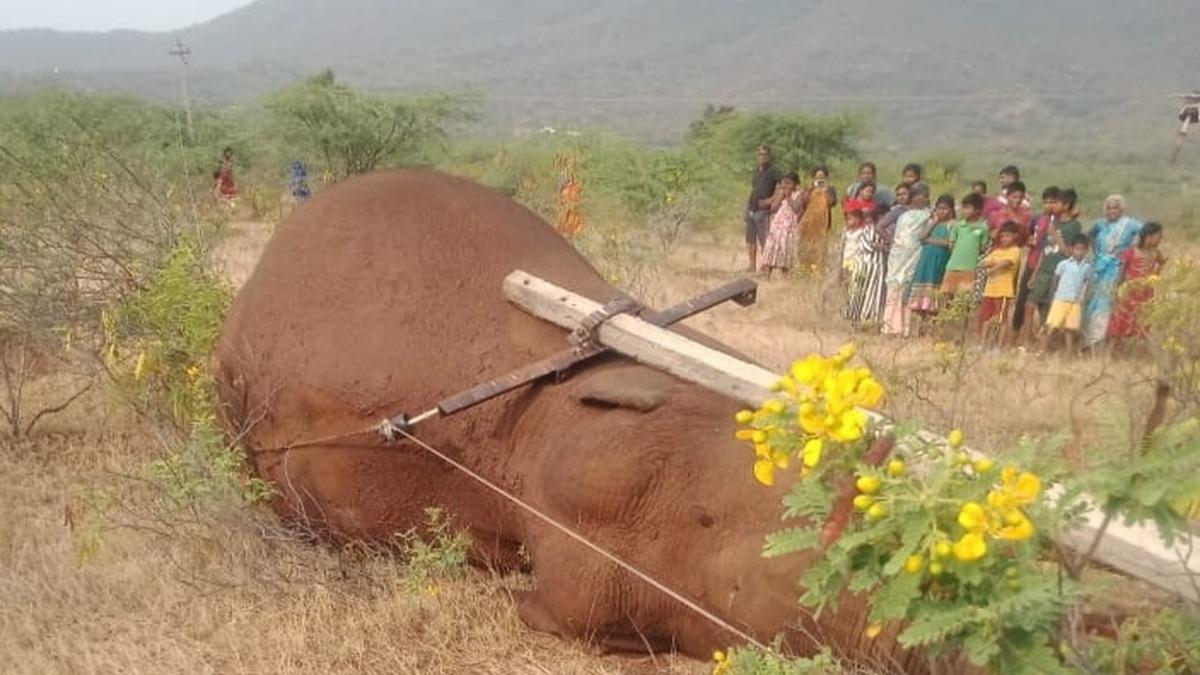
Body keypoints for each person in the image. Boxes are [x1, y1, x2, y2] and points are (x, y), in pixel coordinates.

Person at [1081, 194, 1144, 349]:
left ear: (1121, 209)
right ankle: (1087, 341)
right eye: (1109, 208)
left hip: (1116, 269)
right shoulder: (1100, 223)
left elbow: (1147, 232)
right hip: (1099, 266)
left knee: (1107, 302)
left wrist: (1131, 250)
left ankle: (1101, 341)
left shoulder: (1129, 224)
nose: (1112, 211)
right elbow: (1089, 235)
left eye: (1115, 207)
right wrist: (1096, 251)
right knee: (1091, 302)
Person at [1025, 188, 1084, 342]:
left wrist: (1055, 235)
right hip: (1044, 270)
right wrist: (1034, 273)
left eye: (1056, 202)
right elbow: (1044, 251)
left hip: (1058, 274)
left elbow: (1069, 253)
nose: (1053, 206)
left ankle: (1045, 343)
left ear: (1066, 205)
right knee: (1030, 305)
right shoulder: (1053, 223)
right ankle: (1027, 340)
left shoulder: (1074, 226)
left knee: (1049, 311)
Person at [882, 183, 931, 336]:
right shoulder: (900, 212)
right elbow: (880, 226)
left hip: (914, 256)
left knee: (908, 290)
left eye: (926, 196)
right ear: (915, 196)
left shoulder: (927, 214)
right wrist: (892, 242)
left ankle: (905, 329)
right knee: (894, 288)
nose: (925, 199)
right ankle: (889, 327)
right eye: (923, 195)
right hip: (898, 256)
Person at [1014, 187, 1062, 341]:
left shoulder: (1061, 222)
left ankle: (1043, 340)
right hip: (1032, 262)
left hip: (1050, 267)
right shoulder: (1037, 219)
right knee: (1023, 300)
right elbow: (1027, 237)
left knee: (1044, 304)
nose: (1049, 205)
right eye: (1046, 202)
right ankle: (1015, 336)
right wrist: (1029, 240)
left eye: (1053, 202)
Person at [1109, 222, 1166, 350]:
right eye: (1159, 236)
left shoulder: (1156, 253)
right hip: (1128, 294)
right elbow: (1120, 273)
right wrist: (1115, 291)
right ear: (1149, 236)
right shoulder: (1131, 252)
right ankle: (1111, 355)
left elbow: (1161, 264)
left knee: (1143, 324)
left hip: (1146, 295)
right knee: (1120, 324)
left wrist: (1155, 277)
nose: (1161, 239)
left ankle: (1142, 356)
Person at [908, 195, 955, 330]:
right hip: (926, 262)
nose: (941, 212)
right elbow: (921, 237)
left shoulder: (952, 225)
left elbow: (948, 243)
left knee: (935, 298)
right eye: (939, 208)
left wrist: (930, 240)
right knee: (921, 300)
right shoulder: (933, 223)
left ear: (951, 210)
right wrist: (934, 221)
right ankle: (920, 329)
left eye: (944, 209)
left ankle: (933, 329)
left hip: (939, 262)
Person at [1041, 235, 1093, 356]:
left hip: (1075, 301)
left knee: (1070, 329)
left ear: (1086, 250)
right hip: (1060, 299)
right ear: (1071, 249)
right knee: (1052, 326)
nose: (1079, 252)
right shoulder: (1063, 264)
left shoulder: (1087, 267)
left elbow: (1088, 283)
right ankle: (1043, 351)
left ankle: (1068, 354)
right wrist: (1052, 296)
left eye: (1082, 249)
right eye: (1077, 249)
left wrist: (1085, 298)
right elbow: (1055, 280)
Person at [978, 222, 1021, 345]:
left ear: (1015, 236)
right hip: (990, 290)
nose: (1004, 239)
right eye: (1002, 236)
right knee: (986, 318)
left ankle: (998, 345)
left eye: (1007, 236)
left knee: (1001, 319)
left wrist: (992, 268)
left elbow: (1007, 262)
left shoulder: (1015, 251)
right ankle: (982, 344)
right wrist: (989, 265)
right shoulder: (997, 251)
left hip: (1003, 291)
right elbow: (984, 262)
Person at [845, 204, 889, 325]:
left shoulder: (886, 230)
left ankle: (866, 320)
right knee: (860, 293)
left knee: (871, 294)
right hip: (866, 264)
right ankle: (857, 318)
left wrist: (880, 246)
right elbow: (867, 246)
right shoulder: (869, 229)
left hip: (876, 266)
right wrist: (882, 247)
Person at [942, 193, 989, 299]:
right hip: (952, 267)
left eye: (968, 208)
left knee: (964, 299)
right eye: (964, 208)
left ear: (977, 210)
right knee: (946, 297)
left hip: (970, 268)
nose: (964, 211)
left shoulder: (983, 228)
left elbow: (983, 248)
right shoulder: (958, 226)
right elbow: (951, 245)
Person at [744, 145, 781, 271]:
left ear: (769, 156)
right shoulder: (756, 171)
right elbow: (754, 188)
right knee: (750, 239)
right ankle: (751, 266)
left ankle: (766, 267)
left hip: (763, 210)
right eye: (760, 154)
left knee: (764, 239)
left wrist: (772, 200)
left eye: (764, 154)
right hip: (751, 208)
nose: (762, 157)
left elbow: (784, 186)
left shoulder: (773, 171)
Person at [759, 173, 803, 279]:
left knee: (785, 248)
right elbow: (773, 209)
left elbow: (796, 209)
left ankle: (785, 275)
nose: (785, 186)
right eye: (783, 183)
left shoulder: (799, 194)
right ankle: (766, 274)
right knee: (772, 247)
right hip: (777, 225)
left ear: (795, 184)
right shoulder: (780, 193)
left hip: (789, 226)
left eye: (789, 183)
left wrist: (788, 196)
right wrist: (780, 197)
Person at [796, 166, 838, 275]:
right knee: (806, 247)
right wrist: (810, 189)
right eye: (817, 177)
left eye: (822, 177)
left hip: (823, 224)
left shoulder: (830, 189)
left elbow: (831, 202)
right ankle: (805, 270)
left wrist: (824, 191)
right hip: (808, 223)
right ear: (813, 178)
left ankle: (818, 272)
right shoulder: (809, 188)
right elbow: (803, 202)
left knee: (820, 248)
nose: (819, 180)